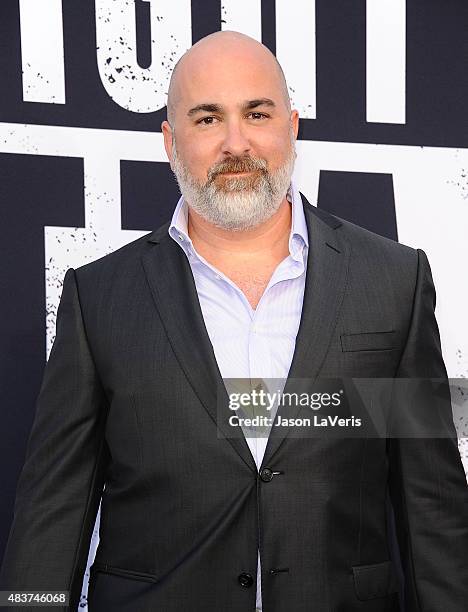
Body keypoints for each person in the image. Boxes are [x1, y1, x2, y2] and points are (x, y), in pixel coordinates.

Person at [1, 30, 467, 612]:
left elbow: (433, 509)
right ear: (171, 142)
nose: (235, 142)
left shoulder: (393, 284)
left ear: (292, 126)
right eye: (206, 119)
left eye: (256, 112)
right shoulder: (100, 299)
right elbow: (53, 513)